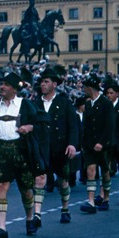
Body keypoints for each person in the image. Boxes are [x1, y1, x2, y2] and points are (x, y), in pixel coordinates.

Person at [0, 72, 38, 238]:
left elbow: (41, 123)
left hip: (20, 151)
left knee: (26, 189)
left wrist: (29, 126)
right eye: (2, 84)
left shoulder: (25, 104)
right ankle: (2, 228)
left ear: (14, 89)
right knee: (1, 187)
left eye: (6, 84)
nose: (2, 87)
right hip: (2, 151)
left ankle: (30, 219)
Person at [32, 67, 78, 225]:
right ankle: (37, 214)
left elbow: (73, 126)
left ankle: (65, 208)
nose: (42, 85)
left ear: (54, 84)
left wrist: (72, 144)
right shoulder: (35, 103)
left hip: (60, 148)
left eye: (46, 82)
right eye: (42, 82)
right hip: (41, 148)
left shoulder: (64, 103)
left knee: (63, 181)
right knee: (39, 179)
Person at [79, 75, 115, 214]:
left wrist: (102, 142)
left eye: (85, 87)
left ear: (90, 88)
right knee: (90, 171)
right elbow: (86, 125)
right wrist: (83, 142)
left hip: (103, 145)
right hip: (90, 144)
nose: (84, 90)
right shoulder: (88, 104)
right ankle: (91, 201)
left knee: (105, 172)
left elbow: (109, 126)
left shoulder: (106, 103)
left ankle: (106, 198)